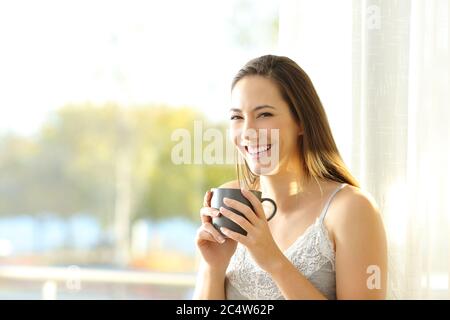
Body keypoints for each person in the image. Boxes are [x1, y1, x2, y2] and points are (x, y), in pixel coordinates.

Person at [193, 55, 387, 300]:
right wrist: (214, 267)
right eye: (237, 117)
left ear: (301, 122)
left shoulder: (352, 209)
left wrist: (273, 261)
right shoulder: (231, 200)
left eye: (264, 115)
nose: (248, 132)